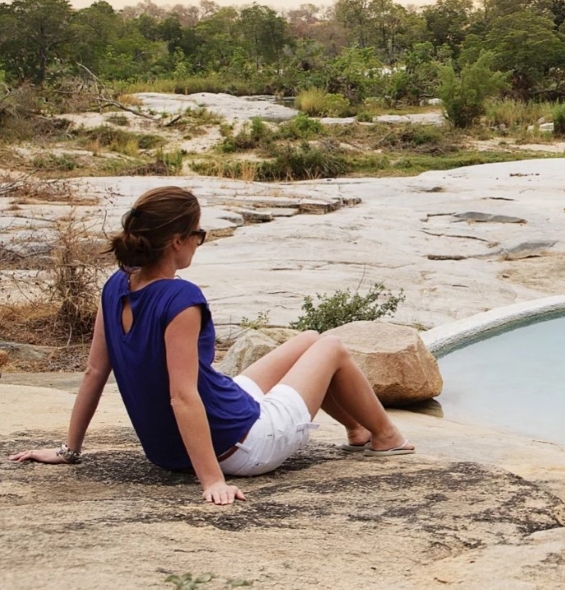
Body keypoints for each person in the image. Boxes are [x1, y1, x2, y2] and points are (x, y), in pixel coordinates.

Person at [9, 186, 414, 505]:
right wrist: (213, 482)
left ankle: (357, 428)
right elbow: (182, 397)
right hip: (241, 446)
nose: (200, 242)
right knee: (331, 347)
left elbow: (94, 372)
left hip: (174, 449)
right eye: (199, 234)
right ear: (177, 242)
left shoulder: (116, 286)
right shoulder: (180, 301)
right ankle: (387, 437)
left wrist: (70, 450)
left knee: (308, 340)